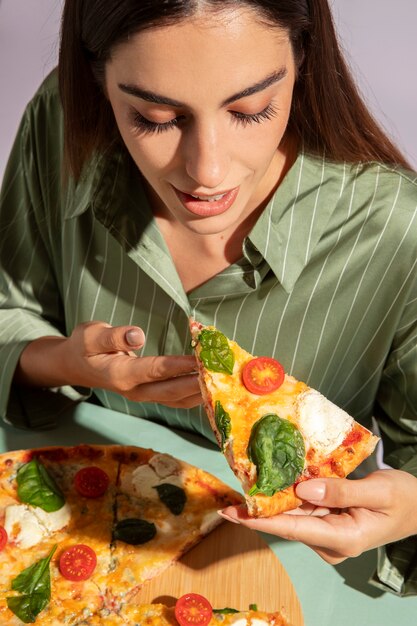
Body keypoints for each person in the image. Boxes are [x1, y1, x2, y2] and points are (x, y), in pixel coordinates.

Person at [1, 0, 416, 596]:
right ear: (97, 80)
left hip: (287, 581)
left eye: (252, 110)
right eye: (154, 117)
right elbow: (6, 306)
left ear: (303, 59)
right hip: (57, 535)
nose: (207, 170)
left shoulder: (400, 232)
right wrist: (61, 360)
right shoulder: (65, 121)